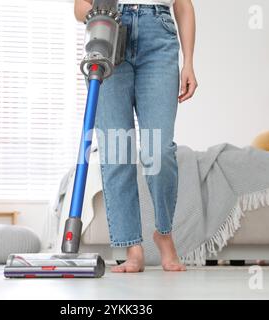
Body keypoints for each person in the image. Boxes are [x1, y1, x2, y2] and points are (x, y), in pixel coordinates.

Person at [74, 0, 198, 272]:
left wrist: (188, 63)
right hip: (108, 34)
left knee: (159, 149)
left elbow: (184, 5)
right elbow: (79, 7)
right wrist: (101, 14)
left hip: (159, 36)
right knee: (117, 151)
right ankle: (132, 250)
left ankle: (164, 233)